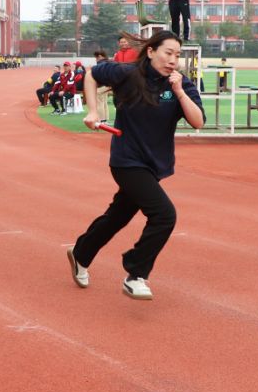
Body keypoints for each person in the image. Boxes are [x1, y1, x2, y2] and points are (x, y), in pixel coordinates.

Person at [69, 31, 205, 300]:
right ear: (152, 51)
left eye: (177, 55)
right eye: (168, 53)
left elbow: (198, 121)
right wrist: (93, 110)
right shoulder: (127, 73)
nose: (173, 60)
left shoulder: (180, 84)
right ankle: (136, 273)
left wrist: (178, 91)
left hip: (155, 164)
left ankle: (81, 252)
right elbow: (93, 74)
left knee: (118, 216)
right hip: (127, 160)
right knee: (164, 215)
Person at [93, 51, 111, 124]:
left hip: (102, 85)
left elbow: (99, 76)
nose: (96, 59)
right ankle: (105, 120)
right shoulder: (109, 63)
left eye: (96, 57)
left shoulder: (101, 64)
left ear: (100, 56)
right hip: (108, 85)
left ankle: (101, 120)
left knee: (99, 103)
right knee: (104, 102)